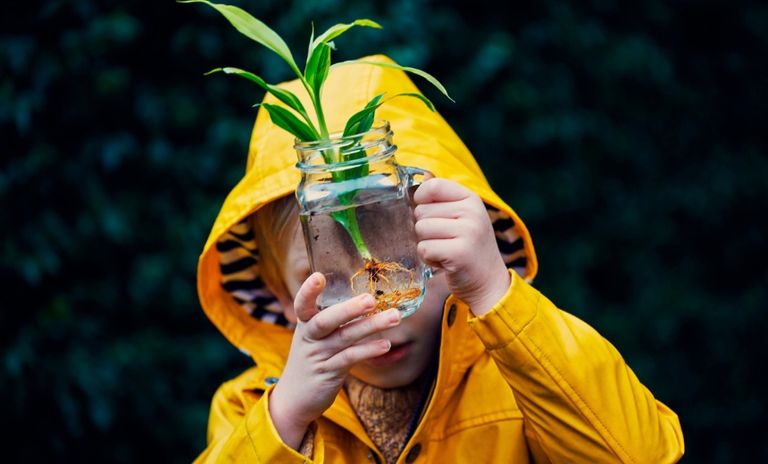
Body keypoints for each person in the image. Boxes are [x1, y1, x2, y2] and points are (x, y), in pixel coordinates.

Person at [194, 55, 684, 463]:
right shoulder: (252, 406)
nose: (380, 308)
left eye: (406, 261)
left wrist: (495, 293)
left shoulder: (525, 380)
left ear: (460, 252)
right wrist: (285, 420)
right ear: (278, 296)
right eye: (331, 280)